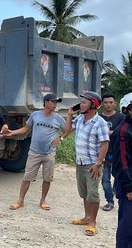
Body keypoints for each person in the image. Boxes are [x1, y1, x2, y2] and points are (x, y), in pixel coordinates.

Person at [6, 93, 67, 211]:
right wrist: (12, 132)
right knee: (27, 177)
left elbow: (69, 129)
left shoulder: (58, 118)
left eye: (56, 102)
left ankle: (43, 201)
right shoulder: (35, 115)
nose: (55, 104)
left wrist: (61, 138)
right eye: (53, 102)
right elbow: (26, 128)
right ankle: (20, 200)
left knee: (47, 178)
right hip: (34, 152)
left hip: (49, 153)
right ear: (46, 102)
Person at [65, 91, 109, 236]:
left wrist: (98, 164)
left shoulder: (100, 123)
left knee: (93, 194)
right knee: (84, 193)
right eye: (81, 102)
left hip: (92, 164)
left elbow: (104, 145)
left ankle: (92, 222)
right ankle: (86, 217)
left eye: (84, 102)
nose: (81, 104)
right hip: (80, 162)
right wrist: (70, 115)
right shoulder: (79, 119)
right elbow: (67, 131)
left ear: (93, 105)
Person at [99, 94, 125, 211]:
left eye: (110, 102)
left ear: (115, 104)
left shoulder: (121, 117)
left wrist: (104, 133)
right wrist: (112, 132)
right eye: (106, 102)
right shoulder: (98, 118)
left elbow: (121, 133)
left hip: (118, 152)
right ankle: (110, 201)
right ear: (101, 104)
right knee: (105, 180)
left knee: (119, 177)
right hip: (102, 153)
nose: (108, 105)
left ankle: (120, 196)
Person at [111, 102, 132, 247]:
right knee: (128, 227)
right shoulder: (123, 132)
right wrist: (129, 188)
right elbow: (122, 163)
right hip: (128, 186)